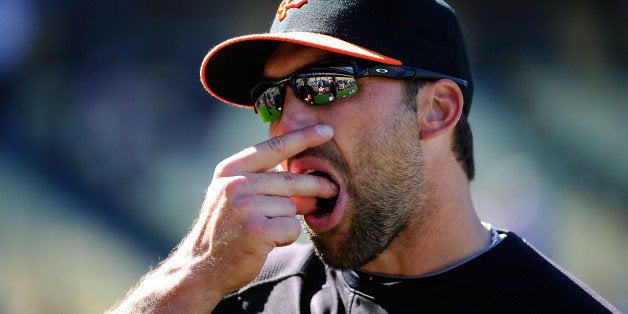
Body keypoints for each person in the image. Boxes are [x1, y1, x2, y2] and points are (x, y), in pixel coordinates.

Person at [108, 0, 619, 313]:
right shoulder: (233, 290)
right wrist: (192, 274)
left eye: (324, 85)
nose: (284, 125)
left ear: (435, 111)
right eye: (272, 98)